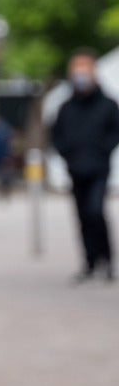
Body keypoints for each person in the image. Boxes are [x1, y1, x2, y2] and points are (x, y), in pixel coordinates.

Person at [50, 49, 119, 283]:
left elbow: (114, 132)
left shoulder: (108, 105)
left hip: (98, 168)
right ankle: (89, 262)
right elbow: (56, 135)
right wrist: (68, 154)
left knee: (96, 211)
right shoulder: (66, 107)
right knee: (82, 217)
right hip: (76, 168)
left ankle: (107, 260)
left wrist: (102, 151)